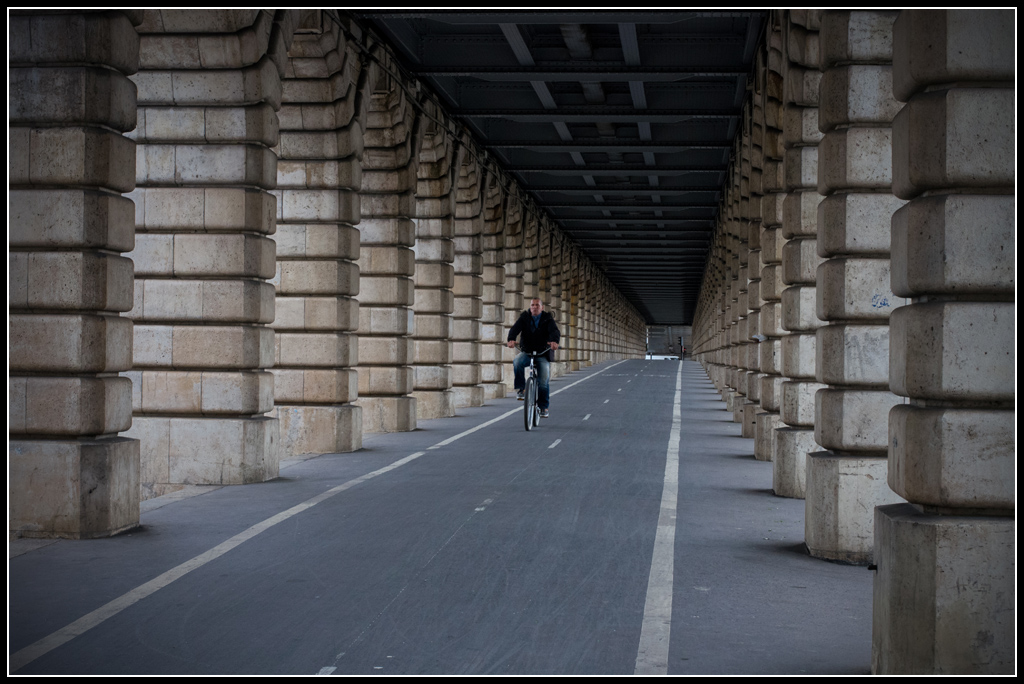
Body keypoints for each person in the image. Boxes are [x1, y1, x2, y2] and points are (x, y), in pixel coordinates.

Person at [506, 297, 560, 417]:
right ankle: (521, 389)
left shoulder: (547, 318)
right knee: (517, 362)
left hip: (542, 353)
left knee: (543, 381)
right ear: (530, 307)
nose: (534, 307)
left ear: (542, 307)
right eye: (532, 305)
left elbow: (554, 331)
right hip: (527, 351)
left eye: (537, 305)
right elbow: (515, 329)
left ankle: (543, 407)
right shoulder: (524, 317)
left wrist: (554, 341)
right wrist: (511, 339)